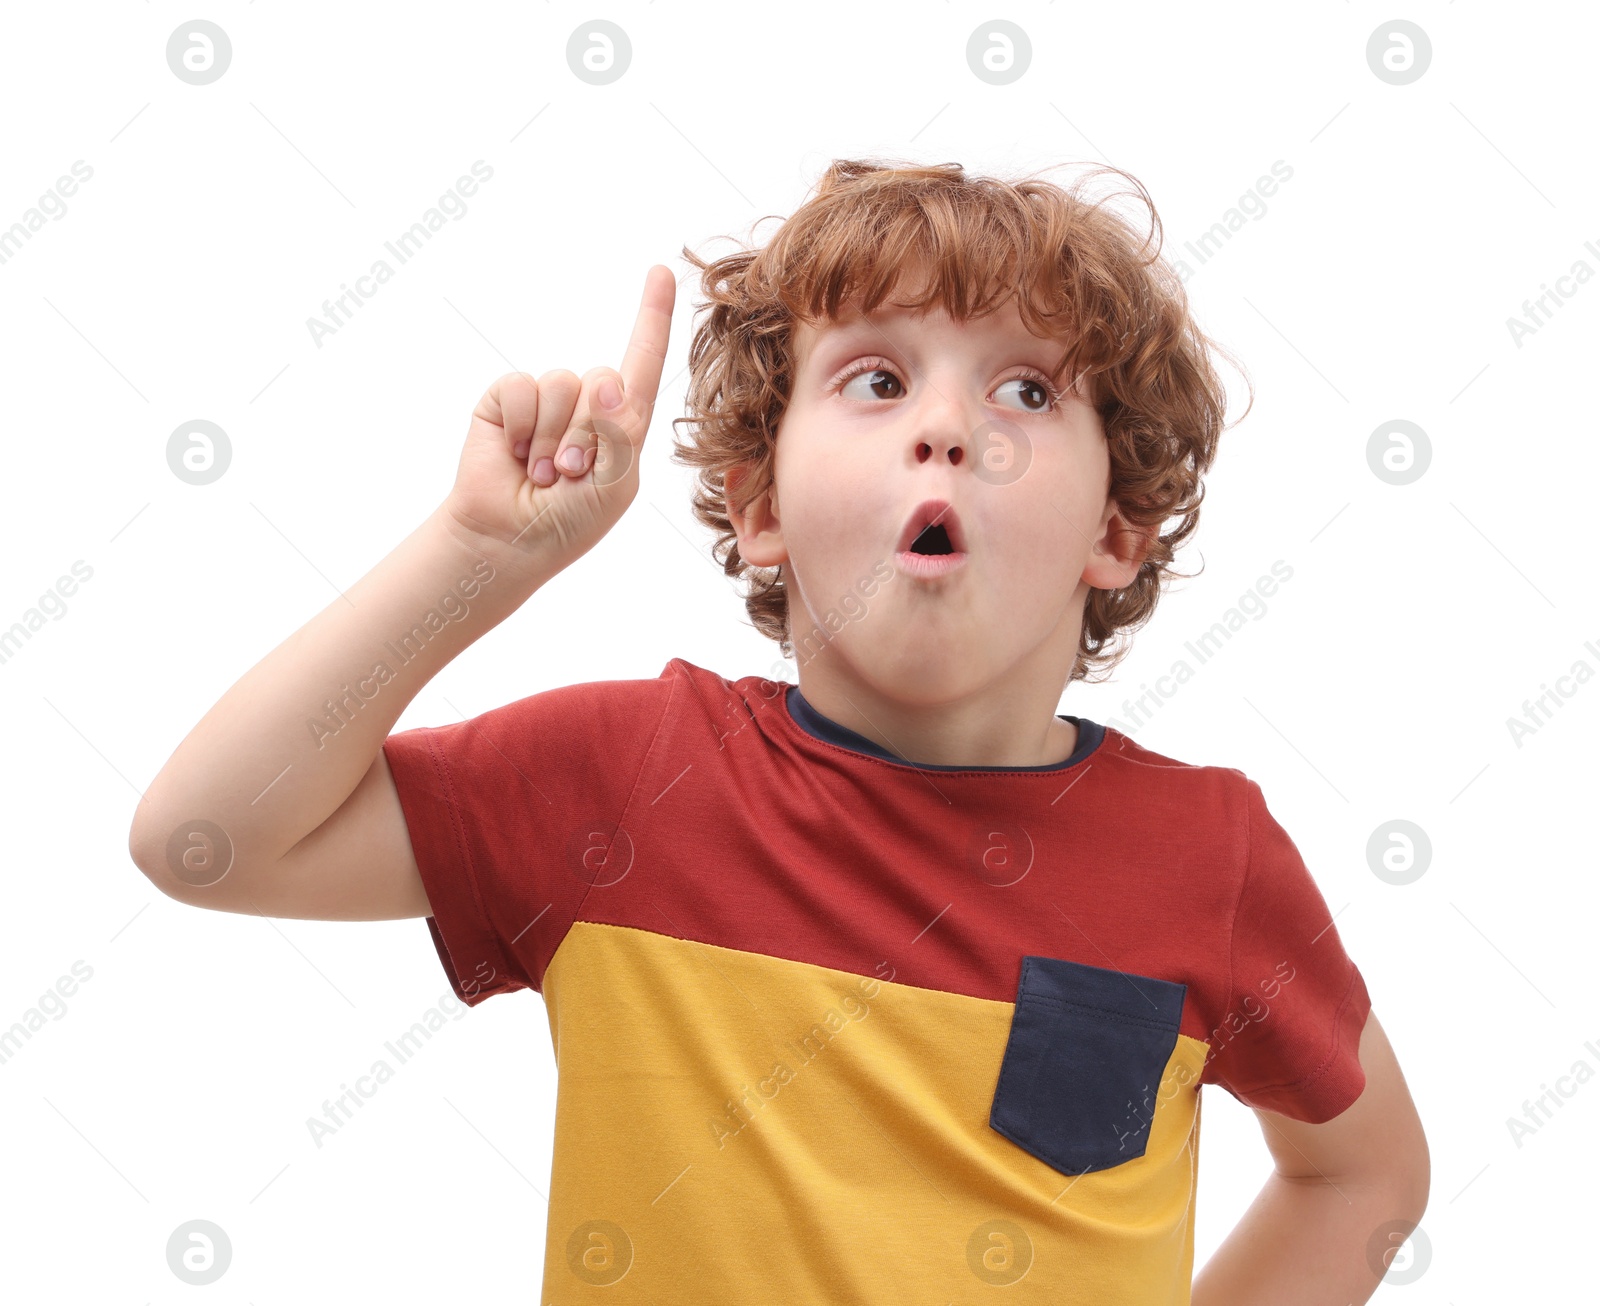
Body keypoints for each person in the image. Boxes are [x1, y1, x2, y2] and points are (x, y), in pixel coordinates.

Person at [128, 158, 1429, 1303]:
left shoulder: (1210, 856)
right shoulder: (621, 781)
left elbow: (1364, 1177)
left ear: (1115, 527)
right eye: (876, 377)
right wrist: (478, 558)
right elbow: (205, 839)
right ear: (759, 504)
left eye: (1027, 392)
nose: (947, 426)